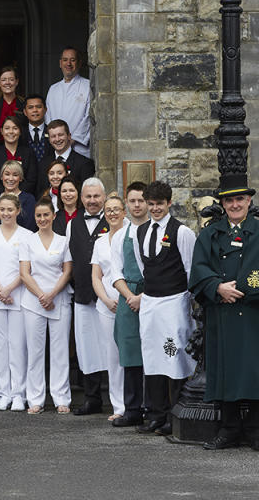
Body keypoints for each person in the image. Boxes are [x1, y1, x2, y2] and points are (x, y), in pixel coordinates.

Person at [190, 179, 259, 452]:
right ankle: (228, 428)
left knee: (255, 370)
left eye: (240, 199)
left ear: (249, 201)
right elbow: (199, 268)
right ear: (222, 204)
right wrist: (217, 288)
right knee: (226, 370)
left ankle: (257, 430)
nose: (235, 205)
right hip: (222, 314)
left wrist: (244, 289)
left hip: (253, 313)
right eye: (229, 201)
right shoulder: (210, 234)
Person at [132, 180, 197, 437]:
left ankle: (175, 414)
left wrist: (188, 303)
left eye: (160, 204)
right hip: (150, 303)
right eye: (151, 204)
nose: (155, 208)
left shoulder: (182, 232)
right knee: (152, 358)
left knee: (174, 357)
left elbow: (190, 269)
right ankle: (156, 415)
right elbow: (142, 266)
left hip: (174, 302)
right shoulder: (140, 232)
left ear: (169, 203)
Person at [18, 199, 73, 414]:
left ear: (53, 216)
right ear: (35, 218)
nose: (42, 219)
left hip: (59, 298)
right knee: (35, 351)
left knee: (60, 351)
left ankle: (61, 398)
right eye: (38, 216)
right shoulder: (28, 242)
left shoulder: (63, 241)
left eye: (46, 215)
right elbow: (24, 273)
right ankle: (36, 399)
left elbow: (67, 271)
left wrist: (52, 294)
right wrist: (42, 295)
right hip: (33, 301)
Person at [0, 193, 34, 411]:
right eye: (2, 209)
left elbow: (27, 269)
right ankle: (3, 394)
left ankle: (19, 394)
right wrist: (0, 290)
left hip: (19, 297)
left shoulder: (28, 235)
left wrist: (10, 288)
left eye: (10, 209)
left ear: (18, 211)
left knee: (18, 345)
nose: (6, 213)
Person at [107, 181, 149, 427]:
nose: (136, 205)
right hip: (127, 297)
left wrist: (145, 297)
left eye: (141, 200)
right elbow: (115, 272)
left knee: (155, 353)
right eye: (132, 201)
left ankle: (155, 408)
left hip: (153, 296)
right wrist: (131, 297)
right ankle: (132, 408)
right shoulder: (120, 236)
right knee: (130, 352)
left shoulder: (158, 233)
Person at [67, 177, 109, 416]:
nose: (92, 201)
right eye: (88, 197)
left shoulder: (115, 220)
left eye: (96, 196)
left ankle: (120, 400)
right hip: (82, 295)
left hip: (108, 297)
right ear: (81, 199)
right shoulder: (73, 224)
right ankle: (92, 399)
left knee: (111, 347)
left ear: (103, 197)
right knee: (87, 348)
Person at [90, 194, 128, 423]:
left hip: (130, 304)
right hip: (107, 307)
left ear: (124, 211)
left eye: (116, 209)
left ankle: (138, 402)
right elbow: (96, 276)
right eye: (108, 210)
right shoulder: (100, 242)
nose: (112, 214)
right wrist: (105, 299)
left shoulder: (132, 236)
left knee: (132, 354)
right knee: (112, 357)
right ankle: (119, 405)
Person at [45, 47, 91, 159]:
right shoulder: (53, 89)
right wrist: (57, 139)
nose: (68, 63)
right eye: (65, 60)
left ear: (79, 63)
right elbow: (48, 117)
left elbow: (90, 116)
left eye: (73, 60)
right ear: (60, 63)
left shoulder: (88, 86)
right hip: (57, 147)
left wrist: (72, 140)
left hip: (79, 148)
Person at [36, 119, 95, 196]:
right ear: (49, 140)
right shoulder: (43, 163)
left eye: (60, 135)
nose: (57, 139)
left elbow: (87, 194)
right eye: (53, 136)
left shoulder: (84, 164)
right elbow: (39, 193)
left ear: (69, 136)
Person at [0, 115, 37, 195]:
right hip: (0, 198)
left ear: (20, 131)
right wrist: (5, 196)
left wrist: (17, 194)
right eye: (7, 128)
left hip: (23, 198)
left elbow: (31, 180)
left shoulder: (28, 153)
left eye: (15, 128)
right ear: (1, 131)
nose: (11, 132)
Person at [0, 160, 36, 231]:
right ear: (1, 177)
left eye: (15, 175)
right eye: (7, 174)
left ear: (20, 178)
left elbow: (30, 227)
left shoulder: (29, 200)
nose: (10, 179)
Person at [22, 94, 49, 162]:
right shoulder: (19, 133)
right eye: (30, 107)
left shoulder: (52, 131)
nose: (35, 110)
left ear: (45, 110)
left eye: (39, 107)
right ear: (25, 112)